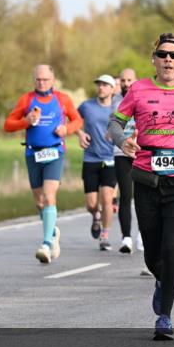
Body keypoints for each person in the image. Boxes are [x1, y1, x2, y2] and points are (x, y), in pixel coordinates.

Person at [108, 32, 174, 340]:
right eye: (163, 55)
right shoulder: (138, 89)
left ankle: (165, 316)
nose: (168, 59)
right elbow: (114, 123)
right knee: (153, 253)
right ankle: (160, 280)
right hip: (146, 177)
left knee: (172, 247)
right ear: (154, 59)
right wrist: (122, 140)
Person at [3, 65, 82, 263]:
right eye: (38, 79)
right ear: (34, 80)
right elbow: (8, 125)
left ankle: (46, 243)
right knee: (39, 201)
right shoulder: (27, 99)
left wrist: (67, 128)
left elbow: (78, 120)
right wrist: (26, 122)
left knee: (49, 195)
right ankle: (53, 231)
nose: (42, 83)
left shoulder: (62, 99)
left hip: (55, 152)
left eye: (45, 79)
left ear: (53, 79)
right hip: (33, 153)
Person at [77, 74, 119, 251]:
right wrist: (79, 134)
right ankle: (96, 215)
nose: (101, 88)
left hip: (110, 159)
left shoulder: (118, 108)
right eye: (99, 85)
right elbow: (71, 121)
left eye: (105, 85)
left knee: (107, 200)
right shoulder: (87, 106)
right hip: (90, 159)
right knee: (91, 204)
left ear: (112, 89)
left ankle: (105, 235)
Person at [112, 68, 140, 255]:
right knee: (125, 195)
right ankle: (126, 238)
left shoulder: (142, 96)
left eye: (129, 80)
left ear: (135, 80)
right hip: (121, 152)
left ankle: (143, 235)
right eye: (123, 80)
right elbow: (112, 125)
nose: (126, 83)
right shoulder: (114, 101)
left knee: (143, 196)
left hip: (141, 152)